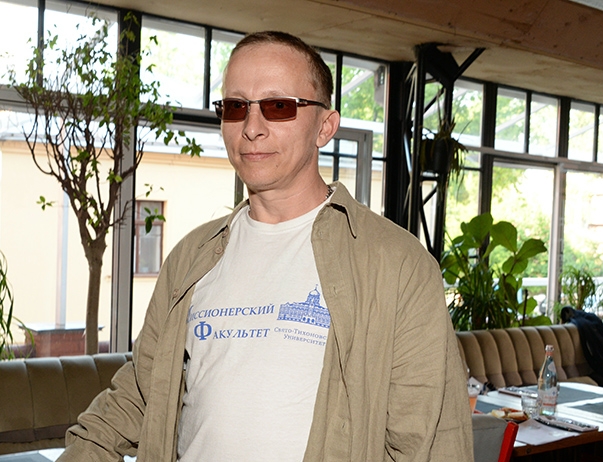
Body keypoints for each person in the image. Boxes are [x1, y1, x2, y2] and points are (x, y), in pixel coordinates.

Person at [59, 31, 473, 461]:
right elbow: (138, 396)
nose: (252, 128)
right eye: (235, 107)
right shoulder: (191, 257)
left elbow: (432, 443)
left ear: (325, 127)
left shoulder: (397, 265)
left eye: (278, 106)